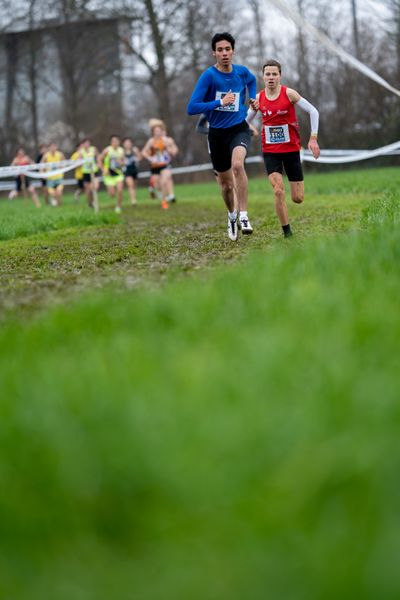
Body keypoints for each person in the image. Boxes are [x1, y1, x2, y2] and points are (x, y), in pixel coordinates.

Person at [187, 31, 257, 240]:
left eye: (228, 49)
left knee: (238, 165)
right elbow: (191, 107)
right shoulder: (209, 76)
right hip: (217, 134)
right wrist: (219, 102)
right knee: (226, 186)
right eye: (220, 50)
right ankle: (231, 214)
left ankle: (244, 214)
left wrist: (252, 98)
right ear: (214, 53)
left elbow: (252, 81)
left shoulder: (242, 72)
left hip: (239, 129)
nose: (224, 53)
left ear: (233, 51)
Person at [247, 59, 320, 238]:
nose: (271, 77)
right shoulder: (258, 98)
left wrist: (313, 138)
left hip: (291, 150)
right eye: (267, 74)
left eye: (274, 74)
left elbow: (313, 111)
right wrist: (250, 126)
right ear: (263, 77)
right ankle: (287, 232)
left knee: (297, 198)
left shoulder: (289, 94)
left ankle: (293, 200)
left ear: (280, 76)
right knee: (278, 190)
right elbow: (244, 121)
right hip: (270, 151)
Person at [195, 112, 259, 211]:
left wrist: (248, 131)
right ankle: (232, 212)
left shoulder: (234, 109)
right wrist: (215, 131)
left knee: (235, 180)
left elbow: (249, 128)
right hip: (216, 150)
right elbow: (199, 128)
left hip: (233, 147)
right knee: (226, 186)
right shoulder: (209, 109)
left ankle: (238, 212)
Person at [142, 120, 178, 210]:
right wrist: (150, 158)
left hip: (164, 164)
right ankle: (153, 188)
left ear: (161, 132)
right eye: (156, 131)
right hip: (155, 166)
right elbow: (143, 152)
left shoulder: (166, 140)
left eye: (159, 131)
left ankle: (164, 201)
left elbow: (174, 151)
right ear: (153, 132)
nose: (158, 133)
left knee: (164, 181)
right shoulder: (151, 141)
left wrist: (170, 149)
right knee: (158, 185)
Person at [98, 135, 125, 213]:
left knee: (120, 190)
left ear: (119, 142)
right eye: (113, 141)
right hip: (108, 175)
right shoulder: (107, 150)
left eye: (116, 141)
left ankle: (118, 206)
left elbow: (123, 162)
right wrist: (103, 169)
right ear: (111, 142)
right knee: (112, 194)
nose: (115, 143)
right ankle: (110, 192)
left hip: (118, 173)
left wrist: (122, 163)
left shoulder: (121, 150)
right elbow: (99, 159)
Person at [42, 142, 65, 206]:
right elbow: (41, 166)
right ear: (49, 148)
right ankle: (54, 201)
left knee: (59, 193)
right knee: (53, 194)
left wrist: (62, 168)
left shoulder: (60, 154)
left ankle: (58, 205)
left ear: (56, 147)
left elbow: (65, 163)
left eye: (54, 146)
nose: (53, 148)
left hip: (59, 177)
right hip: (50, 178)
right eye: (51, 147)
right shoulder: (46, 156)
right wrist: (42, 174)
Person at [79, 138, 100, 208]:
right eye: (85, 143)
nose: (87, 144)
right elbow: (79, 162)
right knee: (88, 191)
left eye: (88, 143)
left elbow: (98, 157)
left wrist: (98, 164)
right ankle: (90, 202)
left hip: (94, 171)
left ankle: (94, 201)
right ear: (83, 144)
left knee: (95, 187)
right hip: (85, 173)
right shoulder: (81, 151)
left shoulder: (93, 149)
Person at [122, 137, 142, 206]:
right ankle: (133, 201)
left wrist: (137, 157)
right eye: (126, 143)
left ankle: (134, 198)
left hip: (134, 170)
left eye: (129, 143)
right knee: (130, 184)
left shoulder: (134, 150)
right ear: (124, 144)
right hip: (127, 171)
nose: (128, 144)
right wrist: (123, 162)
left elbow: (140, 157)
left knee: (134, 186)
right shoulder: (122, 152)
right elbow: (119, 161)